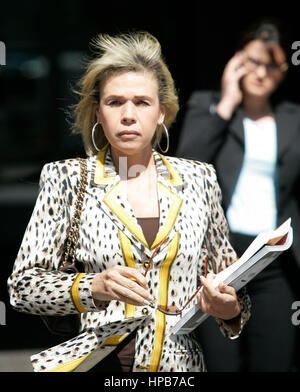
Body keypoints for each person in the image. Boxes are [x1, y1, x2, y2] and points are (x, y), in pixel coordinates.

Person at [7, 31, 250, 373]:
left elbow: (231, 280)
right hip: (101, 363)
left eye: (142, 102)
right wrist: (93, 285)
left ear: (161, 112)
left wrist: (230, 309)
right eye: (115, 102)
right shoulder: (67, 178)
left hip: (180, 369)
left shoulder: (199, 179)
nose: (128, 114)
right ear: (98, 112)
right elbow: (22, 288)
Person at [176, 20, 300, 371]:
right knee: (221, 364)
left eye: (272, 65)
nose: (262, 72)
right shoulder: (209, 106)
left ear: (283, 70)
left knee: (274, 360)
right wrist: (228, 100)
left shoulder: (294, 118)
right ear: (237, 61)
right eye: (253, 61)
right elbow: (186, 166)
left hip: (274, 258)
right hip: (221, 259)